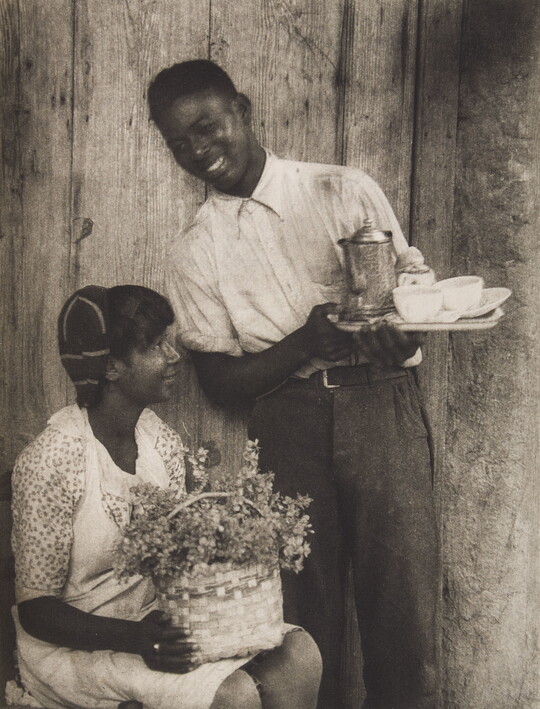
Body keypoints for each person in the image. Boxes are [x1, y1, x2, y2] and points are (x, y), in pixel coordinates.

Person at [148, 60, 438, 709]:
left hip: (381, 403)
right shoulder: (198, 249)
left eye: (207, 126)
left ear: (243, 110)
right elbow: (221, 383)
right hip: (287, 422)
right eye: (179, 142)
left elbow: (412, 296)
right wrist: (303, 342)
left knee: (402, 599)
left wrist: (406, 332)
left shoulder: (342, 190)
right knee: (304, 614)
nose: (198, 150)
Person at [10, 284, 322, 709]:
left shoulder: (159, 441)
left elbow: (180, 553)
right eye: (156, 346)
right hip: (79, 647)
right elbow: (36, 610)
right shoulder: (54, 460)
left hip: (157, 624)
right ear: (112, 368)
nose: (174, 356)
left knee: (298, 657)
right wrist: (134, 639)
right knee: (234, 695)